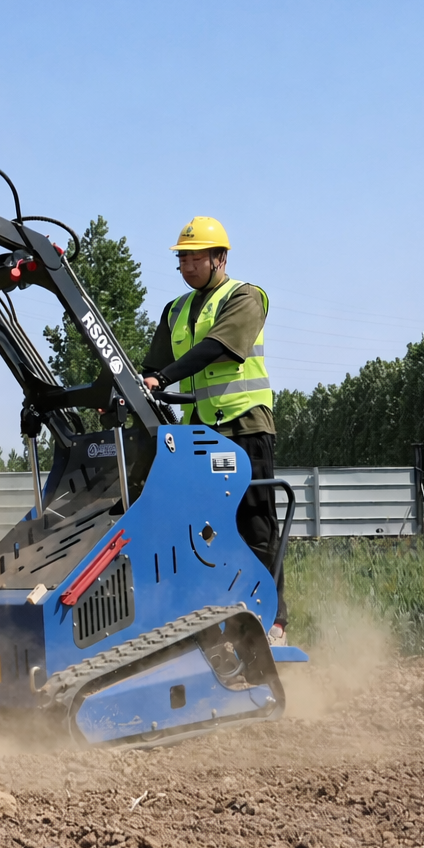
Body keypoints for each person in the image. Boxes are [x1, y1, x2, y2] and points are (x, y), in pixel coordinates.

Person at [141, 216, 287, 645]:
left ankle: (274, 621)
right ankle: (218, 620)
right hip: (200, 436)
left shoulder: (245, 297)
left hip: (245, 427)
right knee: (201, 531)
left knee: (256, 525)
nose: (187, 267)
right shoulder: (176, 310)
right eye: (182, 259)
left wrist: (162, 378)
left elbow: (217, 348)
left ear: (220, 258)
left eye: (195, 258)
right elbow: (151, 367)